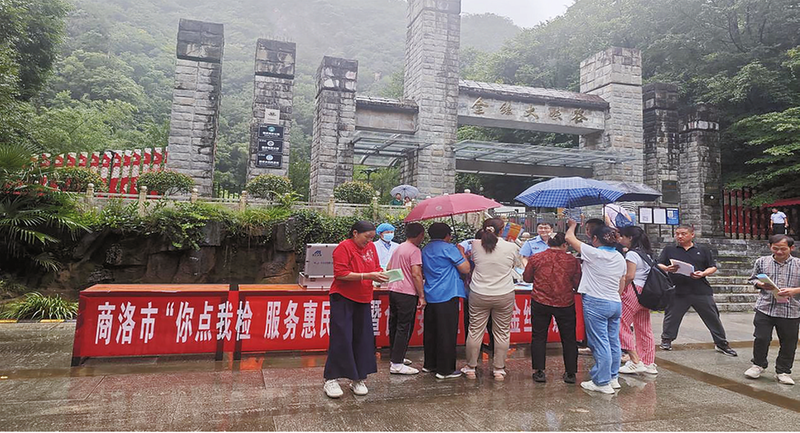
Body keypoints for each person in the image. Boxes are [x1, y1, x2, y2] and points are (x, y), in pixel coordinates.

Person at [323, 221, 389, 399]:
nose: (369, 241)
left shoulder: (371, 248)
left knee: (363, 338)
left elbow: (376, 267)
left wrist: (381, 275)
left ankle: (358, 378)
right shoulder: (344, 247)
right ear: (355, 233)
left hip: (364, 297)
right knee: (342, 337)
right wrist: (367, 275)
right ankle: (331, 379)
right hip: (343, 297)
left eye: (372, 238)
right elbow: (341, 274)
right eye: (367, 237)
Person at [565, 219, 627, 394]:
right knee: (613, 341)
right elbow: (622, 280)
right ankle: (613, 377)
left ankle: (601, 381)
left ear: (595, 239)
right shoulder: (619, 257)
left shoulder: (594, 253)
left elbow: (569, 238)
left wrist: (572, 225)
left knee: (600, 343)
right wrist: (617, 295)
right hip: (615, 301)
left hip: (596, 302)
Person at [657, 225, 737, 356]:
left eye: (683, 234)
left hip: (700, 289)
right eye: (677, 234)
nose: (679, 236)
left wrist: (703, 273)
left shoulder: (702, 250)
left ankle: (721, 343)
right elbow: (659, 263)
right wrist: (667, 268)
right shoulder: (669, 249)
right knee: (672, 316)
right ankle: (666, 340)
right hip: (678, 289)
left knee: (712, 317)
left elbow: (712, 267)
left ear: (692, 235)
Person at [461, 218, 520, 381]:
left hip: (479, 293)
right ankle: (499, 369)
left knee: (475, 330)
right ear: (502, 230)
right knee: (502, 332)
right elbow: (515, 265)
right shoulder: (511, 247)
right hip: (504, 293)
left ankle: (471, 368)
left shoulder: (475, 245)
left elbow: (461, 249)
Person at [523, 232, 582, 384]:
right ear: (565, 245)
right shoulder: (572, 261)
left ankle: (539, 372)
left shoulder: (536, 258)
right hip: (565, 302)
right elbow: (577, 282)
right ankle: (570, 373)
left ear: (548, 243)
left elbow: (527, 278)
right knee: (569, 338)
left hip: (540, 301)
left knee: (539, 336)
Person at [744, 234, 800, 385]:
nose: (779, 252)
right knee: (761, 338)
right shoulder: (762, 261)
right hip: (765, 307)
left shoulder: (798, 264)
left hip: (790, 310)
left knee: (789, 342)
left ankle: (783, 371)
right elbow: (753, 279)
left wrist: (794, 291)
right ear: (770, 247)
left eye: (783, 249)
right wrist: (761, 284)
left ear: (791, 248)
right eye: (775, 248)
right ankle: (758, 365)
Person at [422, 223, 471, 379]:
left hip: (431, 294)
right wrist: (461, 252)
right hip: (447, 294)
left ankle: (430, 364)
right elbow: (465, 269)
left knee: (431, 331)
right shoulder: (449, 248)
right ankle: (445, 370)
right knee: (447, 332)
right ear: (447, 235)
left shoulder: (425, 249)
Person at [617, 226, 659, 376]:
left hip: (633, 291)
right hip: (646, 293)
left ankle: (635, 360)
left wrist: (620, 290)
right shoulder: (647, 254)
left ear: (630, 238)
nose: (620, 239)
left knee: (621, 324)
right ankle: (648, 362)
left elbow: (630, 276)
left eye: (622, 236)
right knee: (644, 327)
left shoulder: (632, 254)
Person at [387, 222, 426, 375]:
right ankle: (397, 364)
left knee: (395, 325)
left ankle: (395, 357)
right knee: (404, 327)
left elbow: (389, 267)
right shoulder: (415, 250)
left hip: (394, 290)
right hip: (407, 293)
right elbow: (416, 274)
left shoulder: (399, 248)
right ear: (420, 234)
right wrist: (421, 295)